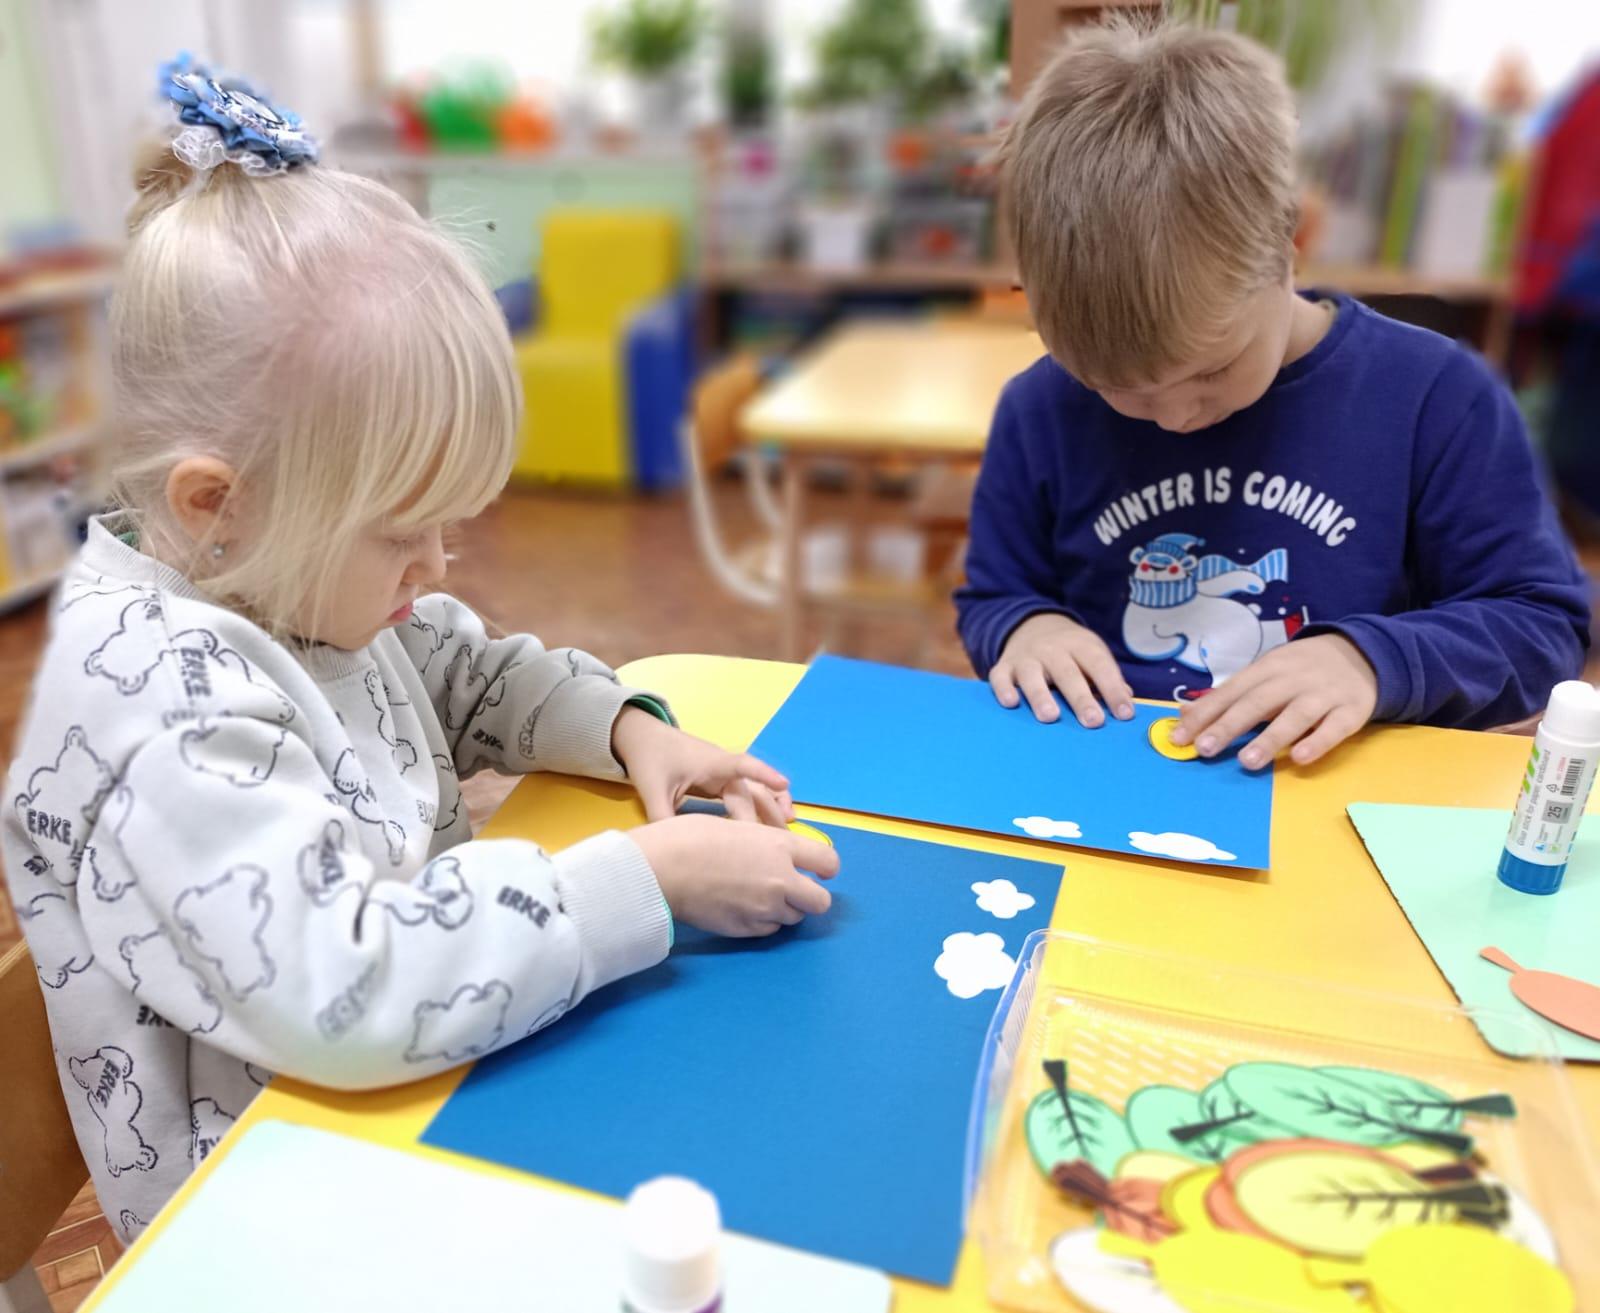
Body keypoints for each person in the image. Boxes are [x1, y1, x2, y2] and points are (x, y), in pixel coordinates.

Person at [2, 56, 837, 1238]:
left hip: (410, 1082)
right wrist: (647, 878)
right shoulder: (168, 718)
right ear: (215, 502)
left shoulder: (276, 574)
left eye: (452, 524)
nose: (438, 567)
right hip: (272, 1212)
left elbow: (456, 667)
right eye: (402, 534)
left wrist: (622, 727)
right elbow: (347, 987)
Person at [957, 22, 1589, 769]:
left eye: (1211, 371)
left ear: (1295, 241)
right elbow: (994, 595)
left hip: (1334, 791)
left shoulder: (1439, 399)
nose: (1176, 417)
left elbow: (1542, 625)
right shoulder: (1038, 410)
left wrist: (1370, 660)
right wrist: (1026, 628)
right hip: (1102, 780)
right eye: (1115, 388)